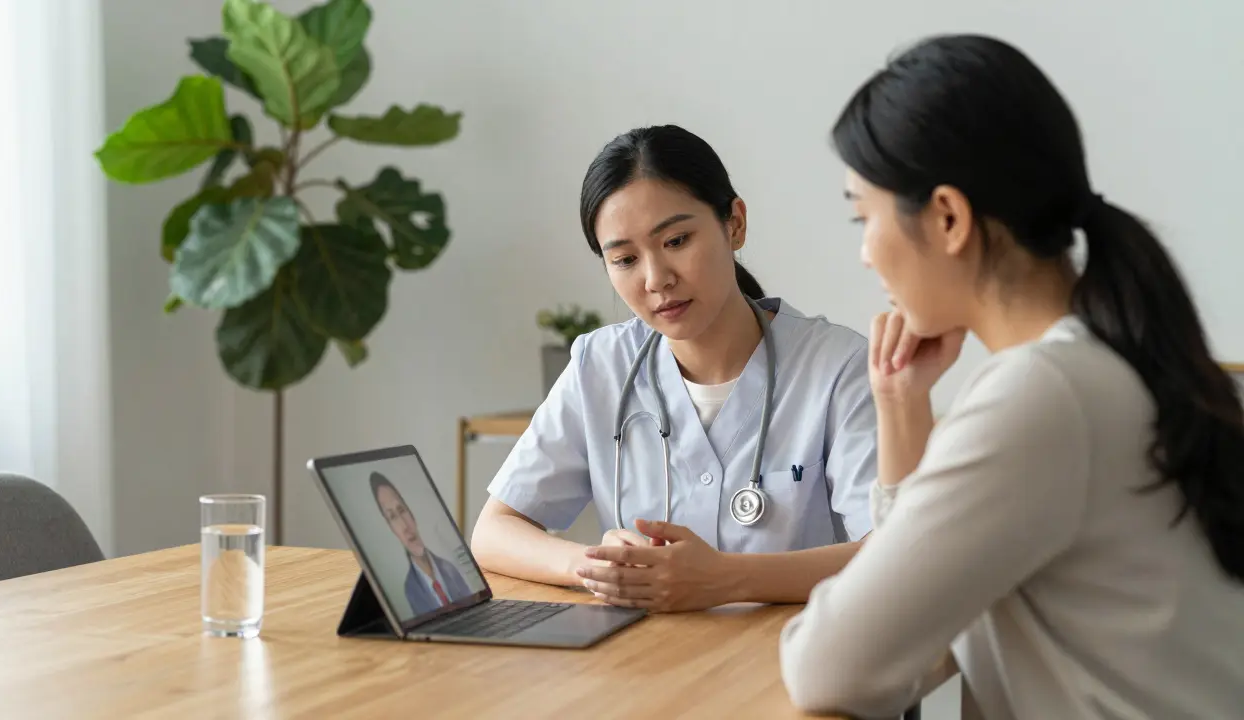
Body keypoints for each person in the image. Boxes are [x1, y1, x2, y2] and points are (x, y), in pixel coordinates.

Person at [779, 34, 1244, 719]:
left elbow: (829, 665)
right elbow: (903, 613)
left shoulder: (1043, 396)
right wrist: (901, 404)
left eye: (863, 215)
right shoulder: (1105, 359)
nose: (864, 254)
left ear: (947, 217)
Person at [470, 124, 880, 612]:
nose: (656, 279)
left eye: (677, 240)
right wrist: (595, 567)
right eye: (624, 259)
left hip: (792, 662)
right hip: (652, 665)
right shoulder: (599, 365)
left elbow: (893, 554)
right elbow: (493, 532)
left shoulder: (838, 367)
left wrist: (726, 579)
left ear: (734, 224)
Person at [369, 472, 471, 616]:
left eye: (402, 510)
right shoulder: (410, 590)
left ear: (411, 514)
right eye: (392, 517)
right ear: (392, 529)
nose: (404, 525)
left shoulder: (450, 568)